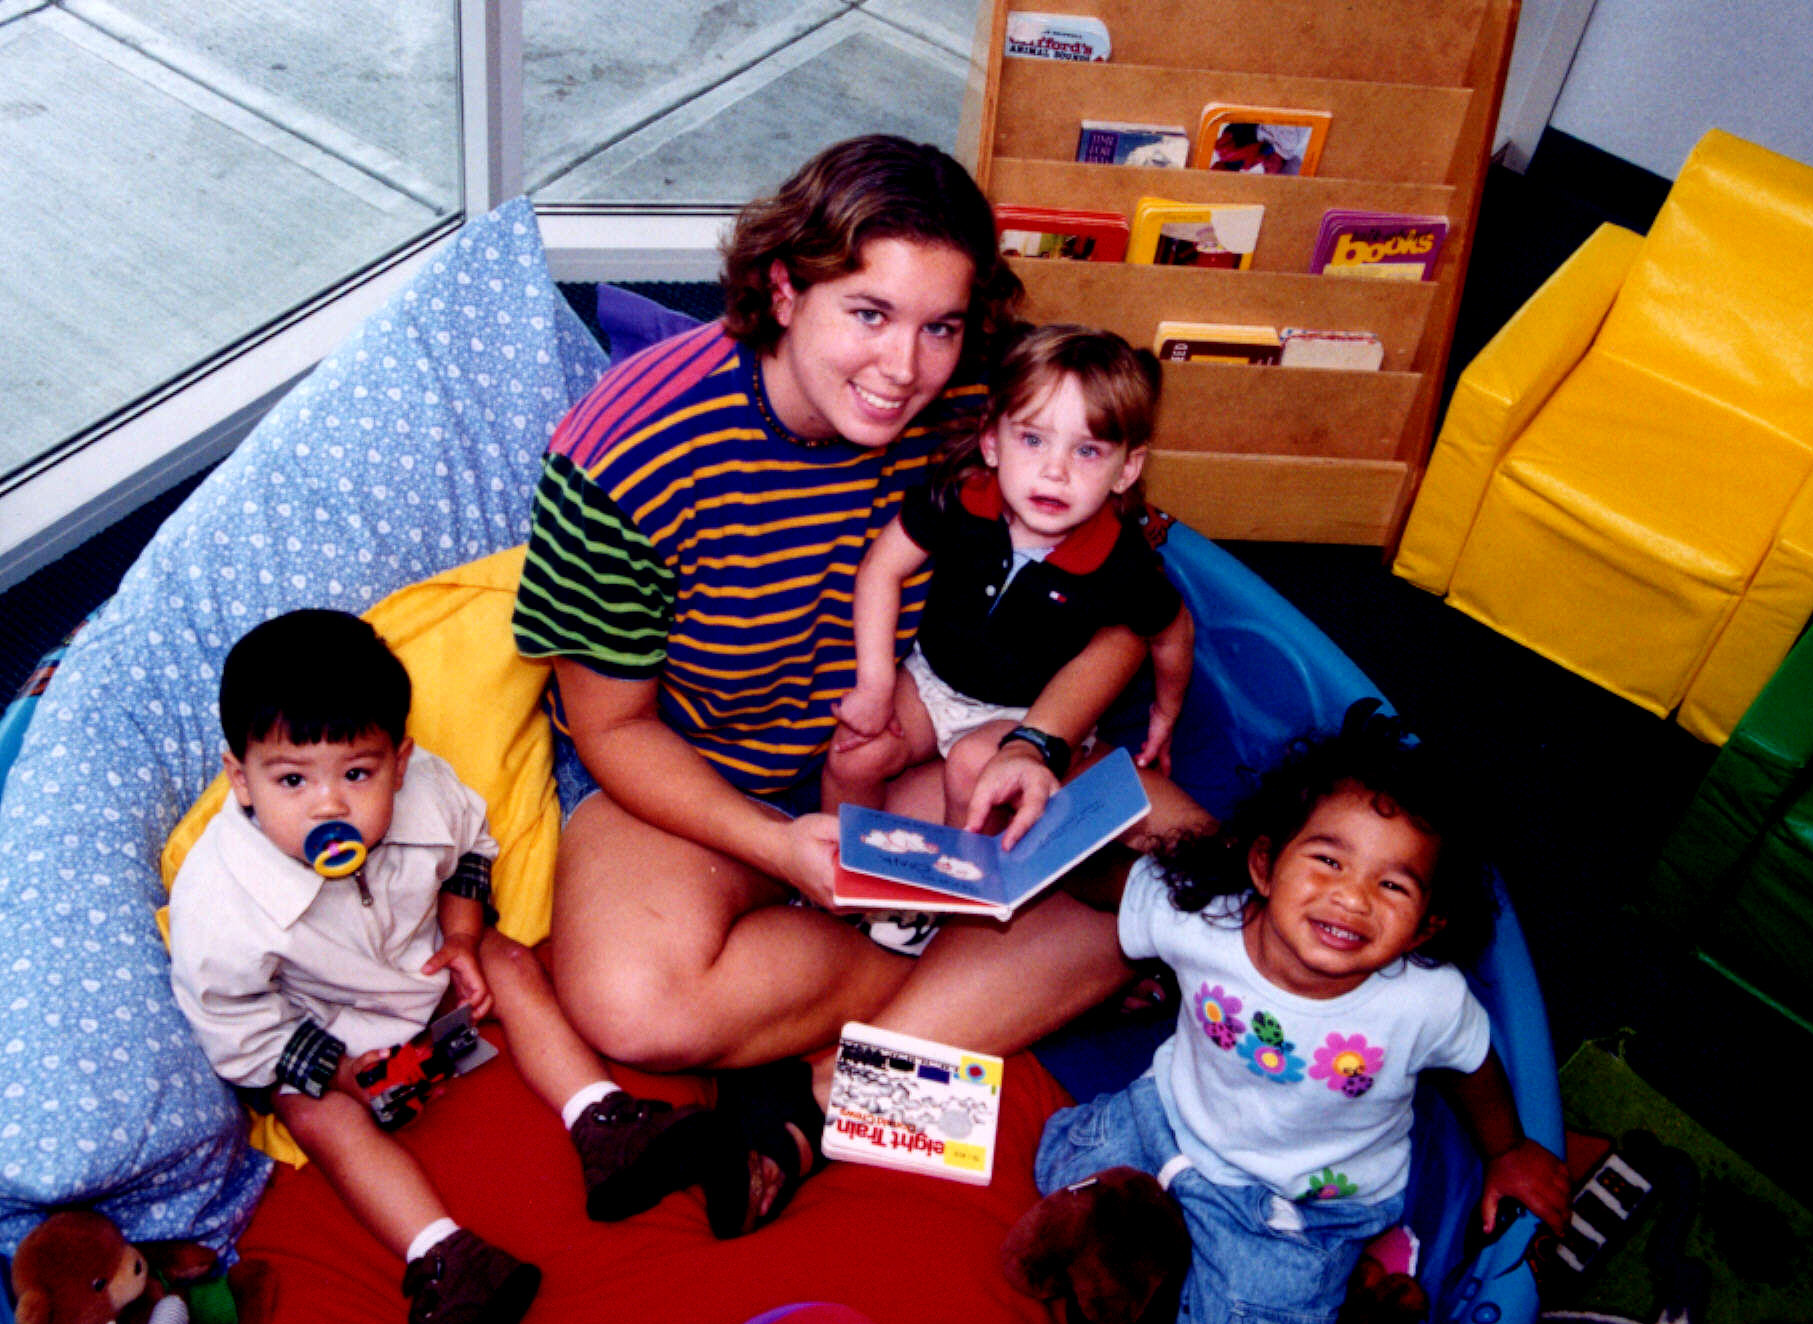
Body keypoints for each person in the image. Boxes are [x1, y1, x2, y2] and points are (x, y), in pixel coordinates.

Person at [511, 134, 1202, 1239]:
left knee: (1193, 869)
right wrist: (780, 846)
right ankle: (947, 996)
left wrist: (1038, 743)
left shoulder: (989, 397)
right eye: (869, 314)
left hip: (923, 750)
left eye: (939, 326)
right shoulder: (623, 453)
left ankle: (821, 1095)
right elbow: (612, 727)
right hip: (698, 776)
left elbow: (1121, 594)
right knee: (631, 1004)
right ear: (784, 290)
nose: (904, 368)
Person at [169, 610, 740, 1324]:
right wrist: (342, 1070)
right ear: (242, 780)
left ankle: (605, 1120)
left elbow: (470, 848)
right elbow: (235, 1020)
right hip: (327, 1031)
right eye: (291, 780)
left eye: (357, 773)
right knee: (314, 1116)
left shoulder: (424, 791)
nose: (329, 805)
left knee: (511, 961)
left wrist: (464, 938)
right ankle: (442, 1255)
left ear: (399, 761)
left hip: (429, 960)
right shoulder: (218, 903)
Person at [1011, 704, 1570, 1324]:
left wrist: (1507, 1151)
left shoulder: (1424, 1000)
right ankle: (1171, 1244)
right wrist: (1035, 842)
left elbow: (1473, 1065)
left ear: (1424, 928)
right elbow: (1118, 881)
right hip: (1170, 1120)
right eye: (1328, 861)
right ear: (1265, 866)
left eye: (1392, 886)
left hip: (1303, 1204)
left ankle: (1355, 1283)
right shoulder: (1204, 918)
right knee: (1061, 1171)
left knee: (1250, 1310)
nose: (1351, 897)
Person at [820, 323, 1195, 828]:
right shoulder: (959, 498)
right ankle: (839, 863)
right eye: (1033, 440)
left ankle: (958, 874)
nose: (1055, 471)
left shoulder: (1120, 560)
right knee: (854, 752)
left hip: (1025, 714)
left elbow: (1172, 629)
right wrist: (875, 683)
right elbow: (881, 570)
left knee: (973, 769)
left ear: (1126, 470)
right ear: (992, 442)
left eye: (1087, 451)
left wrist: (1166, 713)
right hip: (932, 681)